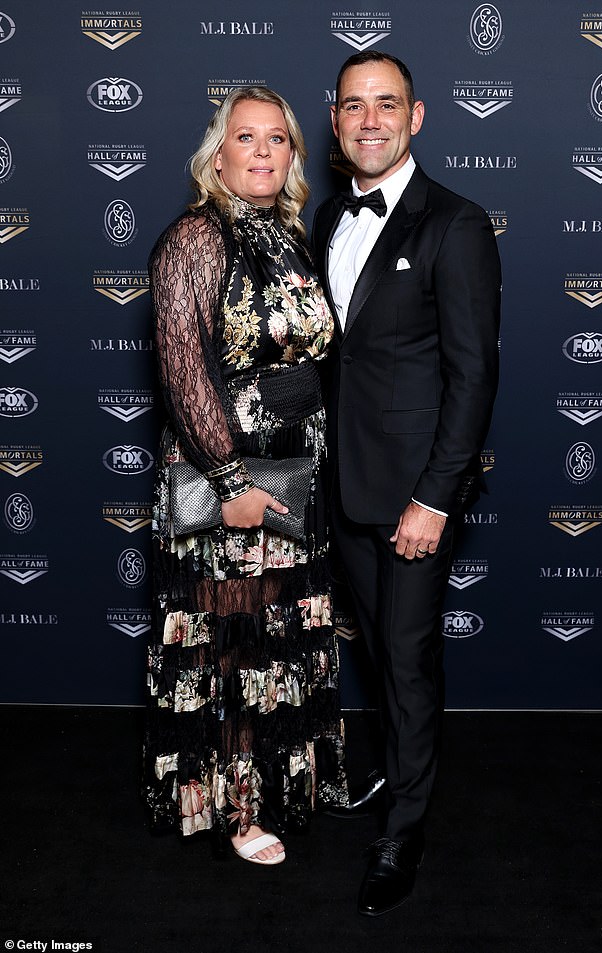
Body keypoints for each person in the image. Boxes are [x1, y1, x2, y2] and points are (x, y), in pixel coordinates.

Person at [313, 52, 501, 914]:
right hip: (345, 489)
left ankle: (405, 829)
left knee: (409, 661)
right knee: (382, 653)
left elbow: (472, 379)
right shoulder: (327, 217)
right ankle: (394, 775)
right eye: (355, 106)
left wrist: (433, 499)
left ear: (417, 118)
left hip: (413, 500)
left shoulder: (454, 224)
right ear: (335, 118)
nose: (371, 120)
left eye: (388, 105)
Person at [144, 86, 347, 866]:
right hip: (229, 481)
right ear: (216, 154)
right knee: (231, 645)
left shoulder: (291, 236)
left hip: (296, 478)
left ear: (294, 155)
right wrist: (229, 483)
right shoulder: (196, 237)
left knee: (276, 639)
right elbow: (184, 369)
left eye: (277, 139)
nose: (262, 151)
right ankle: (236, 811)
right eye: (245, 137)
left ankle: (275, 784)